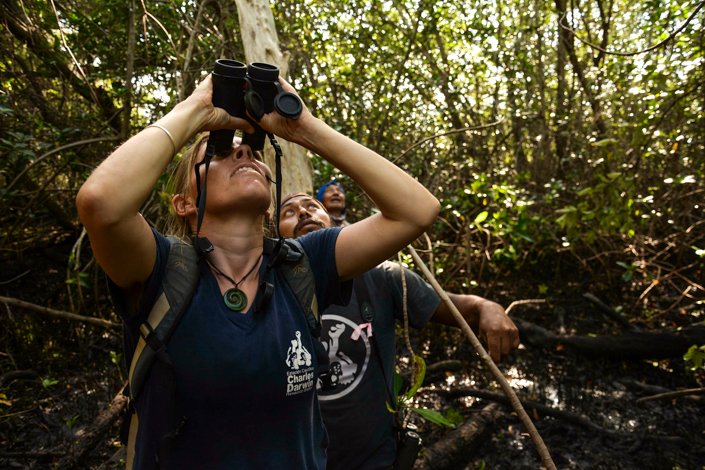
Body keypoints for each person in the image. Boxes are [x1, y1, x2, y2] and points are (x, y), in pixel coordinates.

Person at [76, 72, 439, 470]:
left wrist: (305, 128)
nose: (244, 154)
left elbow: (416, 211)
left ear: (268, 200)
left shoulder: (303, 263)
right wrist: (195, 111)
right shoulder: (162, 267)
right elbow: (101, 204)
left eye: (252, 152)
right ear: (184, 204)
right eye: (217, 151)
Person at [279, 193, 520, 470]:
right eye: (289, 212)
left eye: (312, 206)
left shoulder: (382, 276)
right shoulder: (267, 287)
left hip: (374, 460)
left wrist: (486, 306)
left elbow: (455, 309)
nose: (303, 213)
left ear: (333, 221)